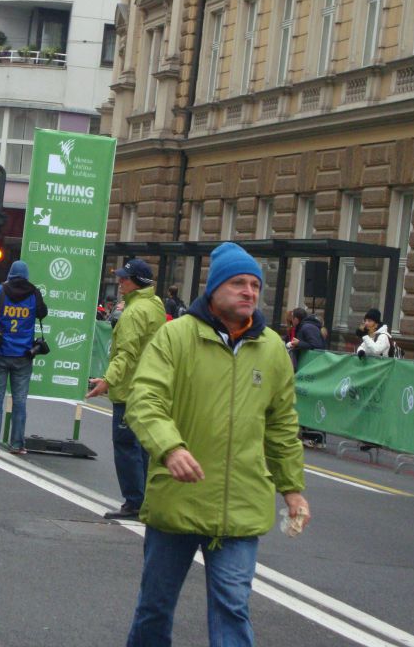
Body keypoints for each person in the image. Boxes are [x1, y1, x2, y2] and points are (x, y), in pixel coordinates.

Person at [123, 242, 310, 647]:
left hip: (240, 506)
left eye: (255, 285)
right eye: (239, 282)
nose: (249, 292)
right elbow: (144, 400)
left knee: (233, 607)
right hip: (178, 499)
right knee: (155, 607)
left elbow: (281, 426)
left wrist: (293, 490)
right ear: (215, 288)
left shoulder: (273, 350)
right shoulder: (175, 337)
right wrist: (171, 448)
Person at [87, 259, 167, 520]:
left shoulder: (133, 313)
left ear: (138, 282)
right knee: (143, 447)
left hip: (129, 388)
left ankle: (134, 502)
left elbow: (126, 354)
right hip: (149, 385)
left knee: (126, 445)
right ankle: (146, 501)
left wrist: (107, 381)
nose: (120, 283)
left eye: (125, 279)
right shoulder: (154, 304)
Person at [0, 261, 47, 454]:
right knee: (20, 401)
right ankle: (17, 444)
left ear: (10, 273)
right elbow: (43, 313)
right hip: (24, 354)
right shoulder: (34, 293)